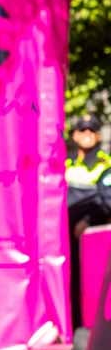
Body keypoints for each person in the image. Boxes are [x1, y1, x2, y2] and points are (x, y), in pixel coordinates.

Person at [66, 114, 111, 329]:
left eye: (91, 131)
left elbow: (107, 201)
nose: (86, 135)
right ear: (74, 135)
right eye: (82, 130)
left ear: (98, 135)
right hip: (65, 238)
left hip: (92, 237)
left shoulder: (106, 164)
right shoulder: (65, 163)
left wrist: (87, 220)